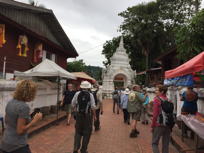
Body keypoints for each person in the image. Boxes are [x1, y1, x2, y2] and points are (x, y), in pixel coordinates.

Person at [0, 80, 42, 153]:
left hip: (5, 142)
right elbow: (20, 131)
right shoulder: (24, 107)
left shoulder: (11, 102)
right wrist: (34, 121)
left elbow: (7, 121)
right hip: (17, 146)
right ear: (30, 93)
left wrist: (27, 118)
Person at [72, 81, 96, 153]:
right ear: (88, 87)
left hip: (79, 116)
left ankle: (76, 148)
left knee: (78, 132)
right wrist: (94, 117)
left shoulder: (77, 94)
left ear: (81, 87)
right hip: (87, 116)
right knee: (87, 133)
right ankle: (83, 150)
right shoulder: (90, 95)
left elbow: (73, 104)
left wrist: (75, 112)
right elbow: (93, 107)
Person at [151, 85, 171, 153]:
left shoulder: (156, 99)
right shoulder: (168, 100)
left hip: (159, 124)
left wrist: (153, 126)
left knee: (154, 143)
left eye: (157, 90)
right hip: (168, 124)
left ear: (162, 92)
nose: (155, 91)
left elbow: (155, 115)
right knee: (165, 144)